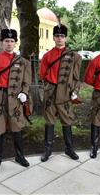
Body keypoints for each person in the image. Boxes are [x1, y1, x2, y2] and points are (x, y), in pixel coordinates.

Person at [0, 28, 31, 172]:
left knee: (17, 127)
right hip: (0, 97)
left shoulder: (23, 62)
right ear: (1, 42)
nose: (9, 44)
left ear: (16, 43)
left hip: (16, 99)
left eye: (12, 41)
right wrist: (0, 88)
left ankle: (19, 156)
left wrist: (24, 92)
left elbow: (26, 81)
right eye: (6, 41)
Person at [39, 23, 81, 162]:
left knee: (67, 120)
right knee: (49, 121)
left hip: (65, 93)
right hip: (50, 92)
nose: (59, 39)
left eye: (62, 36)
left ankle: (69, 149)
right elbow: (42, 74)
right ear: (53, 38)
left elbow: (76, 78)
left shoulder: (74, 56)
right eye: (57, 36)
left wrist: (74, 91)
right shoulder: (47, 56)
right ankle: (47, 150)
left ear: (65, 38)